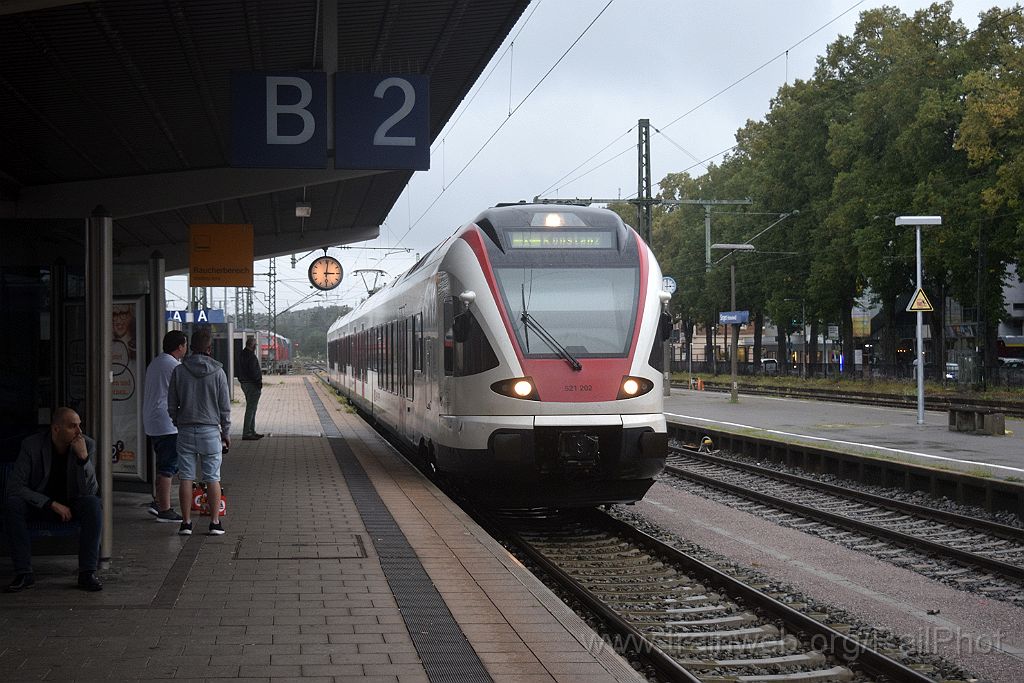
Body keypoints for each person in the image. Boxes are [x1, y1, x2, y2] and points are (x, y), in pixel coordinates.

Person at [3, 407, 103, 592]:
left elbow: (91, 490)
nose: (79, 432)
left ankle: (87, 573)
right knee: (13, 504)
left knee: (93, 504)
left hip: (72, 504)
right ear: (56, 429)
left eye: (79, 425)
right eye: (73, 426)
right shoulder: (32, 445)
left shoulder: (86, 445)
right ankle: (24, 573)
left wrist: (83, 459)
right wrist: (51, 503)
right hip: (40, 505)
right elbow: (15, 487)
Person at [167, 325, 230, 536]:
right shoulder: (219, 372)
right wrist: (226, 433)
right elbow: (225, 408)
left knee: (186, 477)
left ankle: (186, 523)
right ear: (209, 349)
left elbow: (171, 404)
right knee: (212, 477)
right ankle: (214, 523)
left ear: (191, 348)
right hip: (210, 431)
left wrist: (177, 421)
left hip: (185, 430)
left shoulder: (179, 371)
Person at [143, 330, 188, 522]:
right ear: (180, 346)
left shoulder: (156, 362)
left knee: (162, 463)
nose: (186, 348)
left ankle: (158, 502)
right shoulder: (174, 366)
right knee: (168, 467)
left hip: (153, 420)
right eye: (185, 345)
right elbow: (182, 392)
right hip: (166, 423)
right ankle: (165, 510)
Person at [238, 336, 264, 440]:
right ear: (252, 346)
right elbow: (254, 372)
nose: (255, 347)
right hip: (252, 384)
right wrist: (259, 383)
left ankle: (251, 431)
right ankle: (247, 432)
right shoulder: (251, 356)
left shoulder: (241, 354)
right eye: (255, 345)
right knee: (251, 409)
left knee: (252, 408)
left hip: (244, 383)